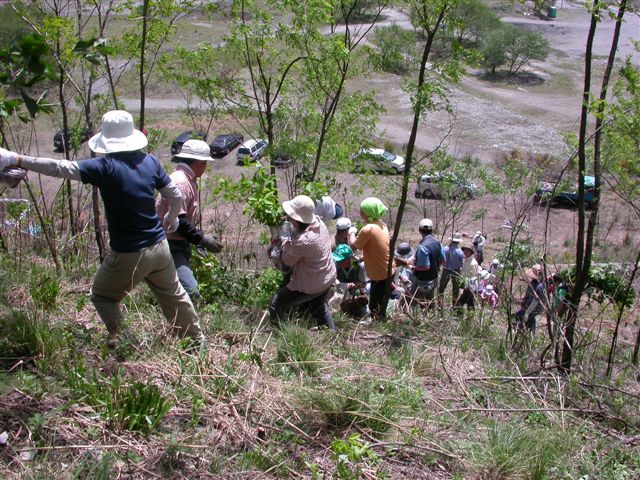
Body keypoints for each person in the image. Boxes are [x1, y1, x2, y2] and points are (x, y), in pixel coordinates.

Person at [0, 110, 204, 348]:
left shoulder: (106, 167)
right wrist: (172, 217)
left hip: (130, 252)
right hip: (160, 247)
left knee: (102, 296)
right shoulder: (150, 161)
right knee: (175, 296)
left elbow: (60, 168)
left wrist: (17, 159)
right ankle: (196, 342)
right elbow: (174, 194)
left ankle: (126, 342)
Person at [156, 139, 222, 300]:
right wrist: (202, 239)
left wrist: (197, 241)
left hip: (175, 243)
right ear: (198, 162)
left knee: (175, 289)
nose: (205, 166)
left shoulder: (185, 179)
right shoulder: (181, 182)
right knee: (190, 291)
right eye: (205, 162)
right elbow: (179, 222)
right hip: (169, 245)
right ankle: (183, 324)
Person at [269, 195, 337, 330]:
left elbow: (287, 260)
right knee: (318, 307)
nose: (290, 220)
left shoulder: (304, 240)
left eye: (291, 218)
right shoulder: (319, 223)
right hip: (327, 277)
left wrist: (284, 241)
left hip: (313, 283)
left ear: (298, 219)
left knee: (275, 303)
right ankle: (332, 334)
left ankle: (280, 335)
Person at [348, 197, 390, 320]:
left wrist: (351, 233)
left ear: (367, 212)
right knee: (380, 301)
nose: (360, 211)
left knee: (374, 306)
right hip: (386, 269)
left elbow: (354, 246)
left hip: (379, 273)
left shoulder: (368, 229)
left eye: (362, 210)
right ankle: (380, 320)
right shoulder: (382, 224)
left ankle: (379, 323)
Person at [407, 219, 444, 308]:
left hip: (423, 282)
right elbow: (443, 260)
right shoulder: (437, 243)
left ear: (419, 230)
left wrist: (413, 267)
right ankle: (430, 319)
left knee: (407, 304)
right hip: (434, 279)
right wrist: (435, 268)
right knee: (428, 303)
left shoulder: (423, 247)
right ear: (431, 230)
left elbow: (425, 267)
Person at [331, 243, 368, 318]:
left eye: (341, 260)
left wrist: (356, 285)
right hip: (339, 291)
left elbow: (363, 284)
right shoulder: (334, 264)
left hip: (354, 292)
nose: (338, 262)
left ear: (349, 259)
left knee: (363, 310)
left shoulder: (358, 266)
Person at [515, 264, 546, 334]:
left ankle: (530, 334)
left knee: (529, 318)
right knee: (520, 316)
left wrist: (527, 313)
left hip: (534, 308)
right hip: (530, 306)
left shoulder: (539, 287)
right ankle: (524, 331)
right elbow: (528, 295)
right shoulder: (534, 283)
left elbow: (534, 302)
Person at [438, 233, 465, 306]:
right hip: (456, 271)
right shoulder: (460, 252)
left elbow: (441, 259)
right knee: (455, 290)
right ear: (458, 241)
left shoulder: (445, 249)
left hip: (445, 270)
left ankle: (440, 304)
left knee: (441, 288)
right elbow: (462, 264)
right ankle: (454, 305)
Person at [455, 242, 482, 310]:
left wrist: (467, 286)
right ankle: (470, 319)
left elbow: (474, 278)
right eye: (465, 250)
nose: (465, 252)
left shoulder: (473, 263)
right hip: (467, 285)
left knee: (459, 304)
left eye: (468, 250)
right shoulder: (465, 260)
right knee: (470, 303)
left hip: (470, 287)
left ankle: (459, 317)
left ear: (471, 252)